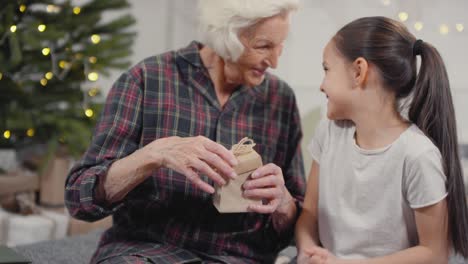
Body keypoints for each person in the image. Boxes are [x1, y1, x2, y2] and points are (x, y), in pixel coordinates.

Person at [65, 0, 306, 263]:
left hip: (239, 257)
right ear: (227, 36)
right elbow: (79, 199)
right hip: (148, 252)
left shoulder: (280, 100)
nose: (274, 61)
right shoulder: (147, 79)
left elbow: (297, 229)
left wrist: (283, 202)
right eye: (263, 46)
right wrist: (153, 155)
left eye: (280, 46)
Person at [295, 16, 468, 263]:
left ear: (359, 71)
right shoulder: (328, 133)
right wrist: (308, 250)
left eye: (326, 69)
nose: (322, 85)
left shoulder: (418, 155)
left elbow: (434, 253)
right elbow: (309, 214)